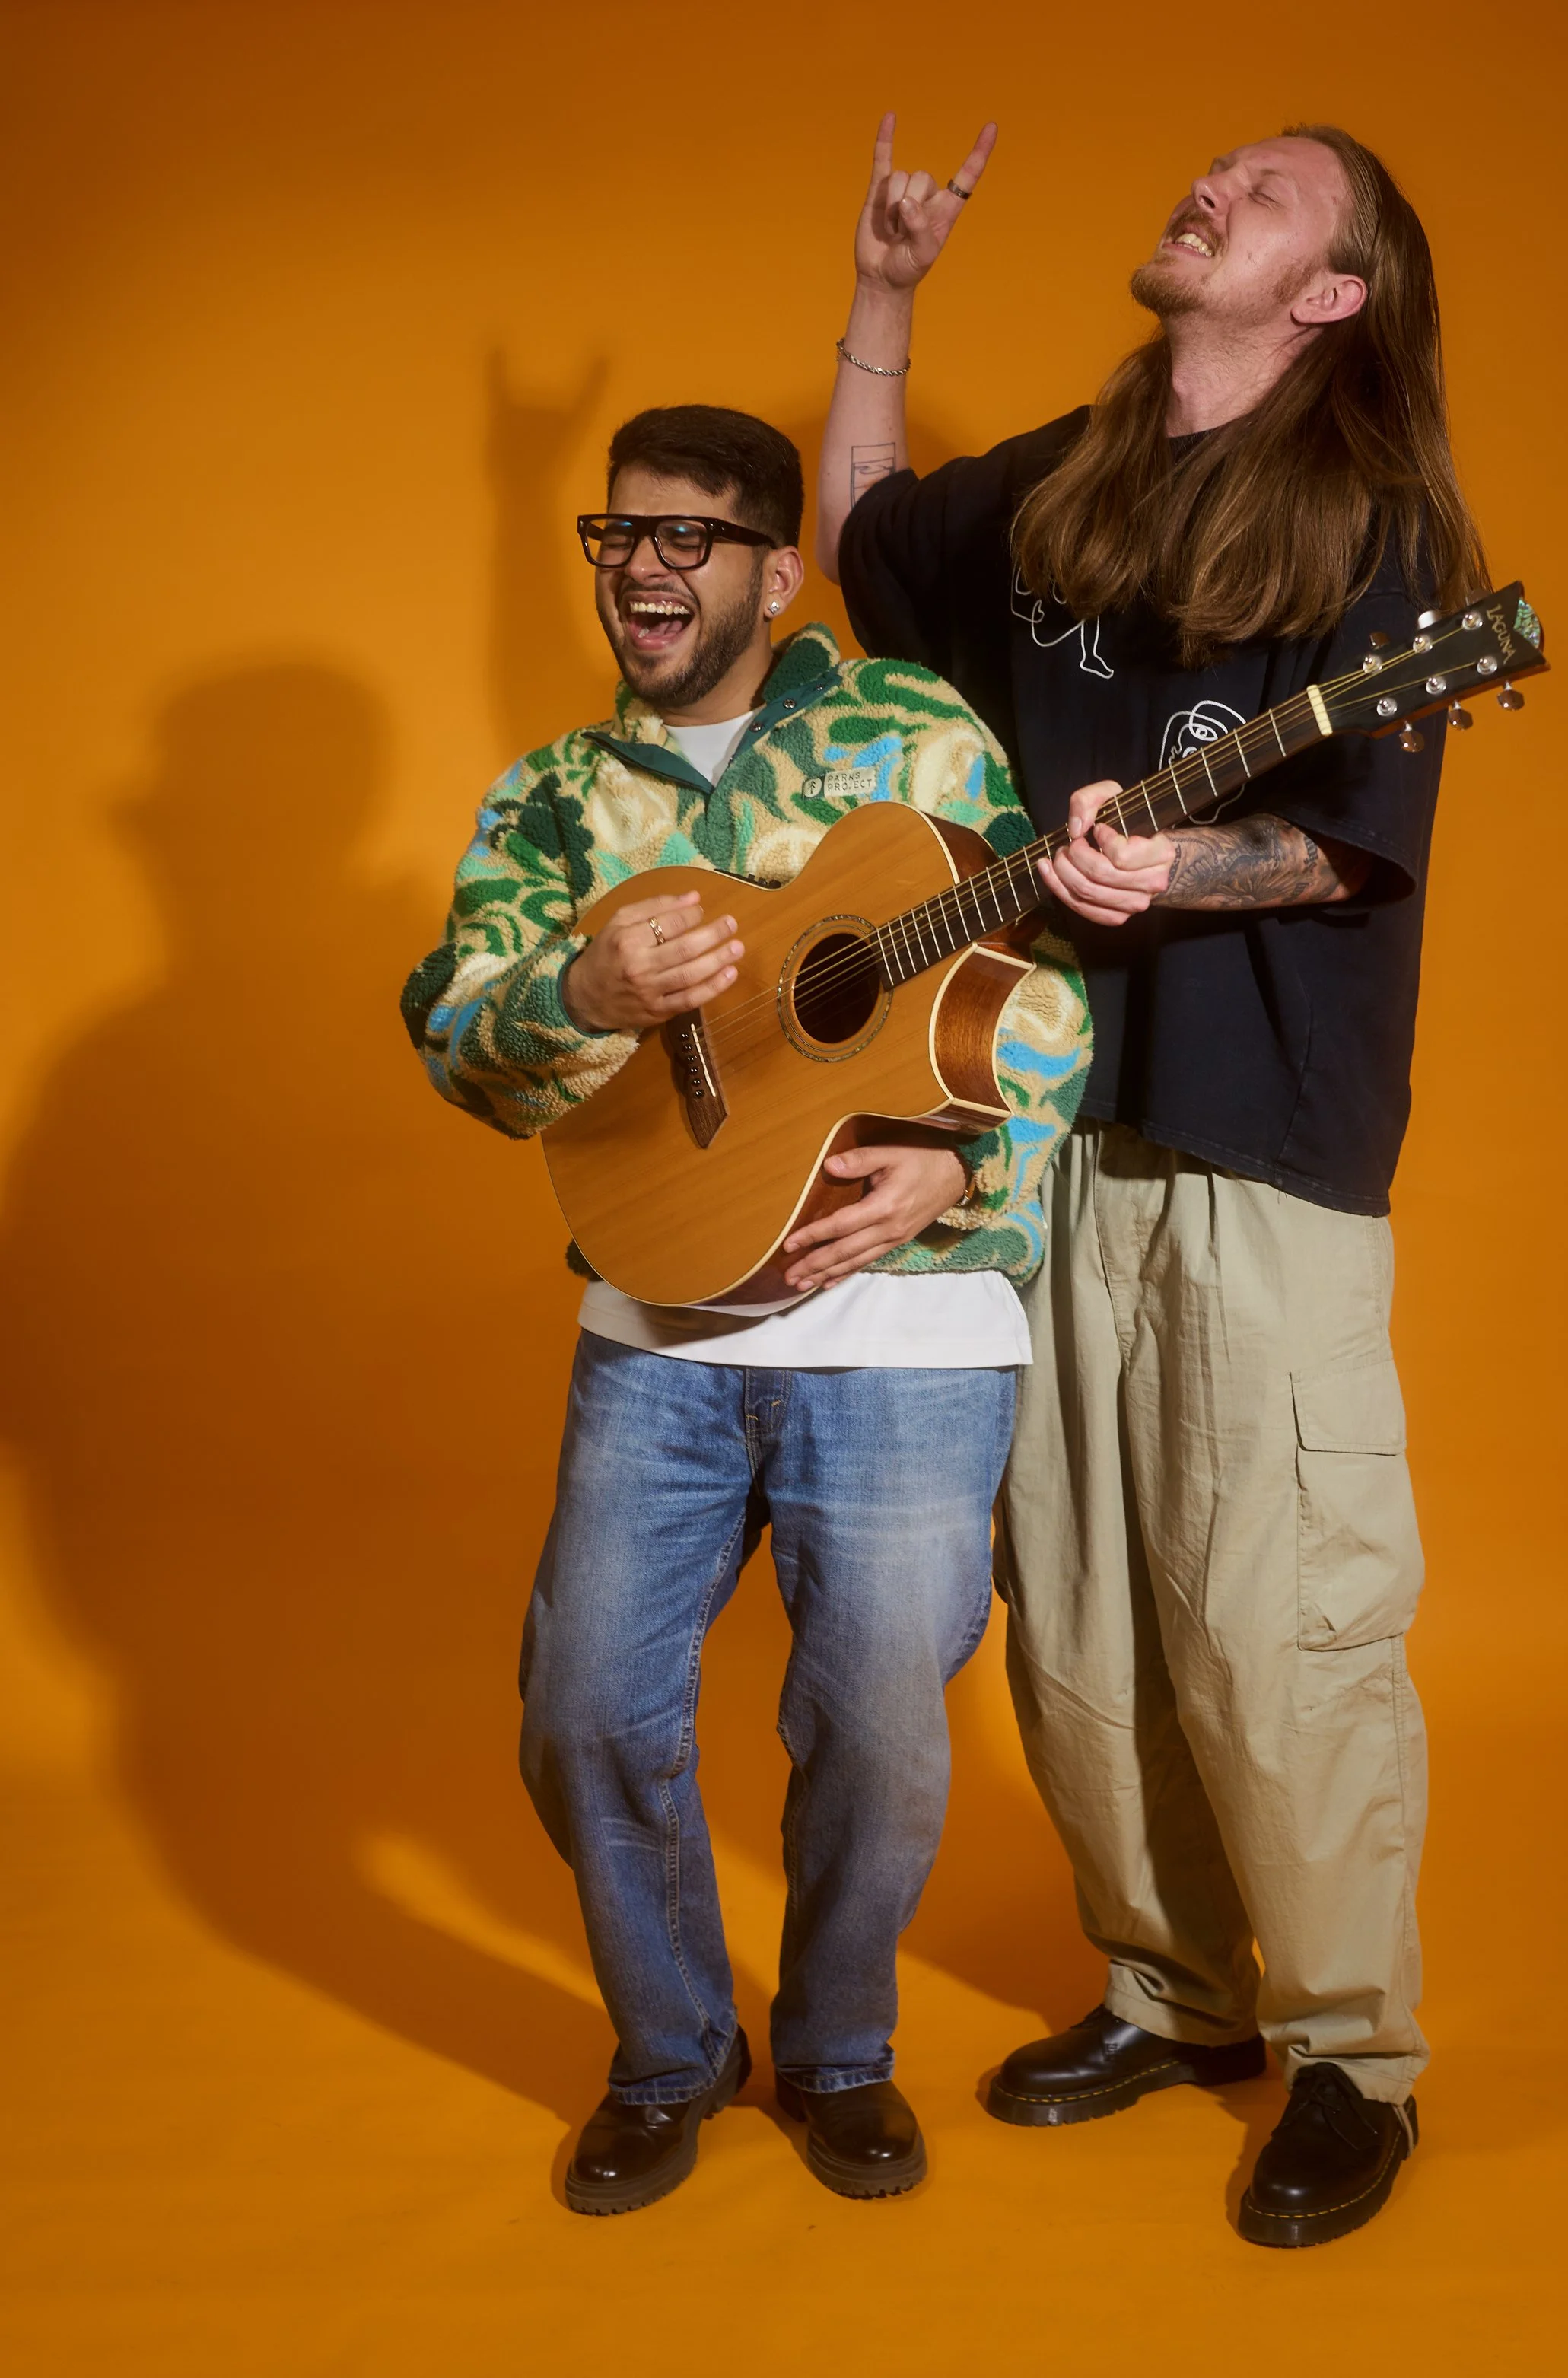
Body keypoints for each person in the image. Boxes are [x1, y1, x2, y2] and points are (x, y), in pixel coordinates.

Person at [820, 117, 1488, 2246]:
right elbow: (860, 541)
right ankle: (1170, 1986)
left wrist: (1173, 860)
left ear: (1328, 292)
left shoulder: (1372, 521)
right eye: (1214, 166)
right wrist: (885, 297)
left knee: (1275, 1610)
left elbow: (1349, 839)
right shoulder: (1071, 480)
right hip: (1033, 1126)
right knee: (1080, 1609)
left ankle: (1351, 2054)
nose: (1210, 184)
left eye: (1264, 189)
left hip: (1258, 1127)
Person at [402, 403, 1087, 2213]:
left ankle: (840, 2044)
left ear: (778, 571)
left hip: (908, 1329)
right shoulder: (556, 796)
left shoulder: (912, 729)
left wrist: (963, 1163)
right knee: (583, 1708)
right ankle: (670, 2049)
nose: (641, 565)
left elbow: (1044, 978)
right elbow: (460, 1043)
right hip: (655, 1330)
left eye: (685, 536)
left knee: (876, 1726)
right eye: (617, 533)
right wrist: (578, 988)